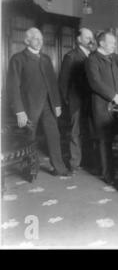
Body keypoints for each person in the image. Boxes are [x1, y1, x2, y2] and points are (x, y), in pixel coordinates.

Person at [6, 28, 70, 176]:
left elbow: (53, 83)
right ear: (27, 41)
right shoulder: (18, 58)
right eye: (36, 39)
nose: (40, 42)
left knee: (54, 135)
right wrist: (19, 111)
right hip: (29, 106)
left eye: (41, 39)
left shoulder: (46, 59)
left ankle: (59, 168)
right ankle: (29, 170)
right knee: (29, 138)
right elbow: (13, 87)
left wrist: (57, 104)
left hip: (48, 105)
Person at [85, 32, 118, 184]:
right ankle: (108, 175)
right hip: (102, 106)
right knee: (105, 140)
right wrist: (114, 96)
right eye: (111, 43)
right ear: (102, 43)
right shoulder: (92, 59)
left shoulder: (111, 59)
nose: (114, 45)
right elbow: (95, 83)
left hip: (117, 106)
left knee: (115, 137)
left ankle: (114, 169)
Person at [59, 28, 94, 173]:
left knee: (88, 130)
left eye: (91, 38)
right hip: (76, 100)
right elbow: (63, 81)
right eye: (87, 38)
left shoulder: (92, 56)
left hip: (89, 99)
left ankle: (87, 161)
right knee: (75, 132)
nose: (91, 41)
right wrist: (67, 100)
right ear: (79, 39)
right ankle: (74, 163)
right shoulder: (71, 56)